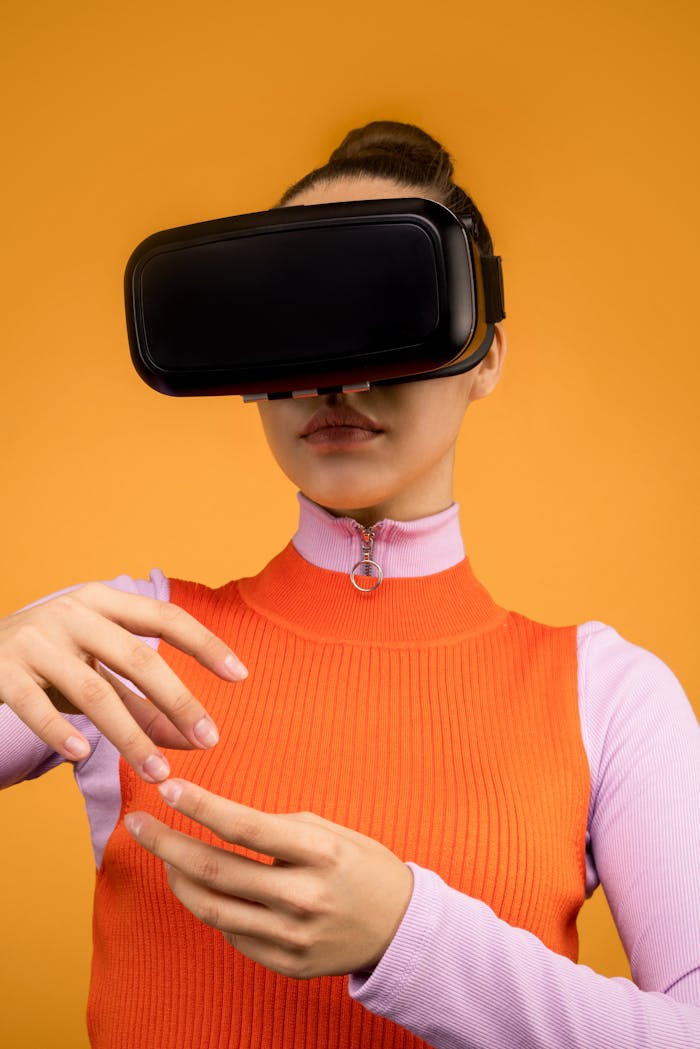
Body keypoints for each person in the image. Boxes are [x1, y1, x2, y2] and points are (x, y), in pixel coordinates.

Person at [0, 121, 698, 1049]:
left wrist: (412, 938)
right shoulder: (125, 641)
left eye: (381, 305)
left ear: (485, 353)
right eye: (293, 316)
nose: (333, 379)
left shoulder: (608, 694)